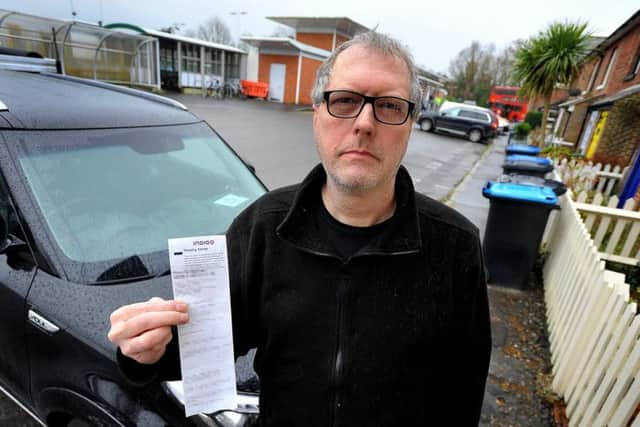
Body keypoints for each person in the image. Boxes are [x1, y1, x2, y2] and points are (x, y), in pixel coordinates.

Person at [108, 31, 491, 426]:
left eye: (390, 106)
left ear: (410, 123)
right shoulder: (263, 228)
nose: (363, 123)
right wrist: (146, 350)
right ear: (317, 114)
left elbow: (463, 393)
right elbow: (204, 348)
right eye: (345, 101)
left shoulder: (455, 247)